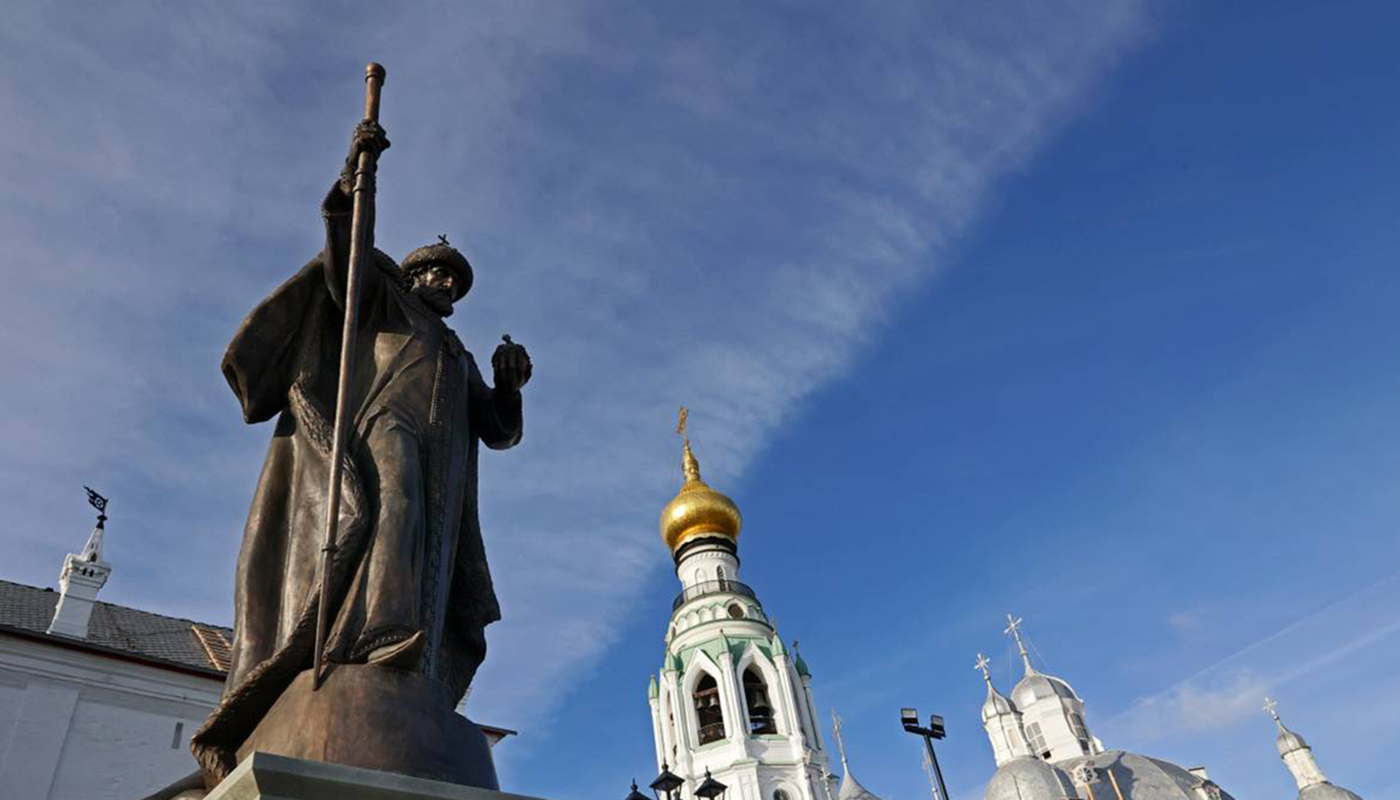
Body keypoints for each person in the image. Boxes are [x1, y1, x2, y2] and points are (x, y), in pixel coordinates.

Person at [189, 121, 531, 782]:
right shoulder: (382, 307)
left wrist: (509, 388)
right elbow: (347, 255)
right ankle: (378, 632)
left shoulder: (458, 355)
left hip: (446, 475)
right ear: (412, 276)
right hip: (380, 433)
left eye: (452, 278)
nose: (443, 281)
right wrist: (354, 180)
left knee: (434, 561)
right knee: (393, 505)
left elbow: (497, 430)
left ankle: (413, 654)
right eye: (433, 271)